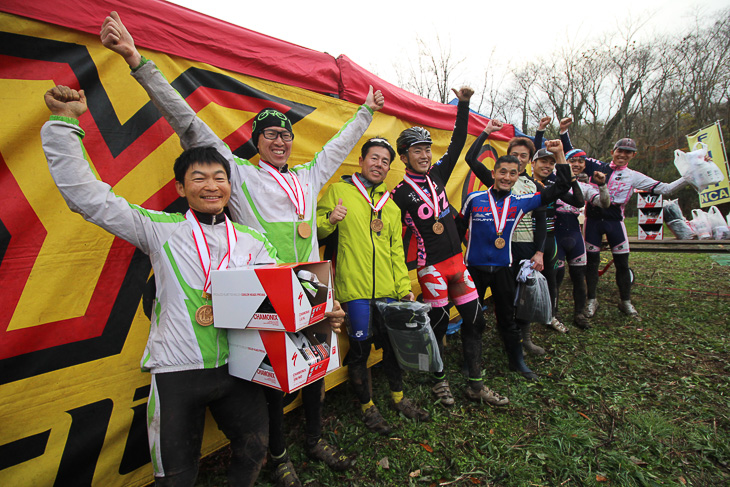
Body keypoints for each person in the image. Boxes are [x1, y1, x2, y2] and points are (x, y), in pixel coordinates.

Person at [101, 11, 382, 485]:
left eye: (286, 134)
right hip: (263, 299)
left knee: (312, 369)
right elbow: (186, 121)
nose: (280, 140)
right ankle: (278, 457)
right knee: (269, 384)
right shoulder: (239, 175)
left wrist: (366, 114)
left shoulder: (307, 177)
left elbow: (336, 147)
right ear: (256, 142)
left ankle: (312, 439)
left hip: (307, 289)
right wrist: (136, 61)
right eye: (270, 134)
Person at [41, 85, 279, 486]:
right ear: (181, 189)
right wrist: (65, 123)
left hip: (238, 367)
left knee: (254, 452)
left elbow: (285, 292)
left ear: (229, 186)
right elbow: (87, 197)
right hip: (177, 373)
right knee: (176, 478)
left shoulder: (253, 241)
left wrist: (324, 311)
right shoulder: (160, 230)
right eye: (198, 177)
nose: (211, 185)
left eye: (220, 177)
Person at [391, 88, 508, 405]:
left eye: (427, 149)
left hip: (457, 263)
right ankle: (439, 382)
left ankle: (475, 385)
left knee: (476, 320)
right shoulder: (399, 193)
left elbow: (457, 141)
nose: (424, 155)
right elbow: (390, 233)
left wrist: (465, 105)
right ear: (403, 156)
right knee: (439, 325)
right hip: (431, 269)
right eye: (417, 151)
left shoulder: (439, 173)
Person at [317, 137, 429, 435]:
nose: (378, 165)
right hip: (354, 291)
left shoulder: (390, 207)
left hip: (389, 292)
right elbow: (312, 229)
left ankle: (398, 398)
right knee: (360, 349)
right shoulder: (339, 192)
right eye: (374, 158)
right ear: (361, 160)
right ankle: (367, 406)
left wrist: (403, 287)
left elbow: (396, 252)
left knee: (394, 346)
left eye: (384, 161)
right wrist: (330, 218)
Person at [460, 140, 575, 380]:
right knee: (472, 320)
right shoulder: (473, 199)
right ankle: (469, 362)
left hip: (503, 269)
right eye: (502, 172)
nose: (507, 177)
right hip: (474, 269)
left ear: (518, 175)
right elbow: (459, 230)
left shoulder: (521, 202)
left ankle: (517, 361)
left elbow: (563, 185)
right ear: (493, 173)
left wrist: (560, 153)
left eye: (513, 173)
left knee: (508, 319)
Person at [557, 119, 689, 320]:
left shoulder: (634, 176)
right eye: (620, 151)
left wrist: (689, 177)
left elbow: (666, 189)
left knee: (622, 263)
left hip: (615, 222)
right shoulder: (595, 166)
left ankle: (625, 301)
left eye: (628, 152)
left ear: (633, 156)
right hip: (592, 221)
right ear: (613, 152)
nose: (623, 155)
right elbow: (572, 153)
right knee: (592, 264)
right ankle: (592, 299)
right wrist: (564, 131)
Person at [464, 120, 551, 356]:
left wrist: (540, 250)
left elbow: (541, 220)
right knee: (502, 298)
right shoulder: (499, 177)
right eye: (514, 154)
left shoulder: (534, 185)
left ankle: (523, 341)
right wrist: (485, 132)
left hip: (525, 246)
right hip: (498, 249)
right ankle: (495, 344)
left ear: (528, 161)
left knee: (523, 297)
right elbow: (471, 160)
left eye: (524, 156)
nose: (519, 159)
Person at [530, 147, 586, 331]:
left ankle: (552, 315)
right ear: (533, 163)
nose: (547, 165)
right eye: (543, 161)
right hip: (527, 236)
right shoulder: (524, 182)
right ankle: (524, 317)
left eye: (551, 162)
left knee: (551, 279)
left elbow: (578, 202)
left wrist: (571, 178)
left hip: (549, 237)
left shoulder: (554, 186)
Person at [554, 149, 610, 329]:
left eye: (581, 161)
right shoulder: (552, 181)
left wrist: (602, 186)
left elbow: (604, 204)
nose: (577, 164)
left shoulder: (585, 187)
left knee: (579, 277)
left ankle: (579, 313)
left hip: (575, 236)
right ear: (564, 162)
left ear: (585, 165)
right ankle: (553, 315)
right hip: (555, 235)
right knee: (556, 278)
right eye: (572, 160)